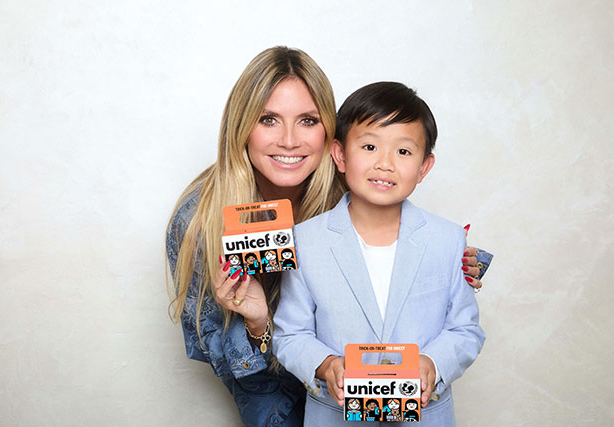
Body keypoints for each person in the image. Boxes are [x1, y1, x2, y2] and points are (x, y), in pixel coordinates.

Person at [166, 47, 490, 426]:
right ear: (241, 126)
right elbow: (245, 367)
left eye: (307, 120)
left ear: (330, 136)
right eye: (268, 119)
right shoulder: (200, 221)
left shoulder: (356, 187)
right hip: (287, 398)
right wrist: (260, 326)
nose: (289, 140)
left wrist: (458, 262)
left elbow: (429, 292)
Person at [272, 82, 486, 426]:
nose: (385, 164)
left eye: (403, 152)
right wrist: (326, 364)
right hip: (334, 416)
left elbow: (466, 330)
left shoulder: (447, 239)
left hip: (426, 416)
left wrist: (433, 363)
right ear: (340, 155)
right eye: (370, 146)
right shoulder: (305, 240)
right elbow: (290, 334)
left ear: (424, 167)